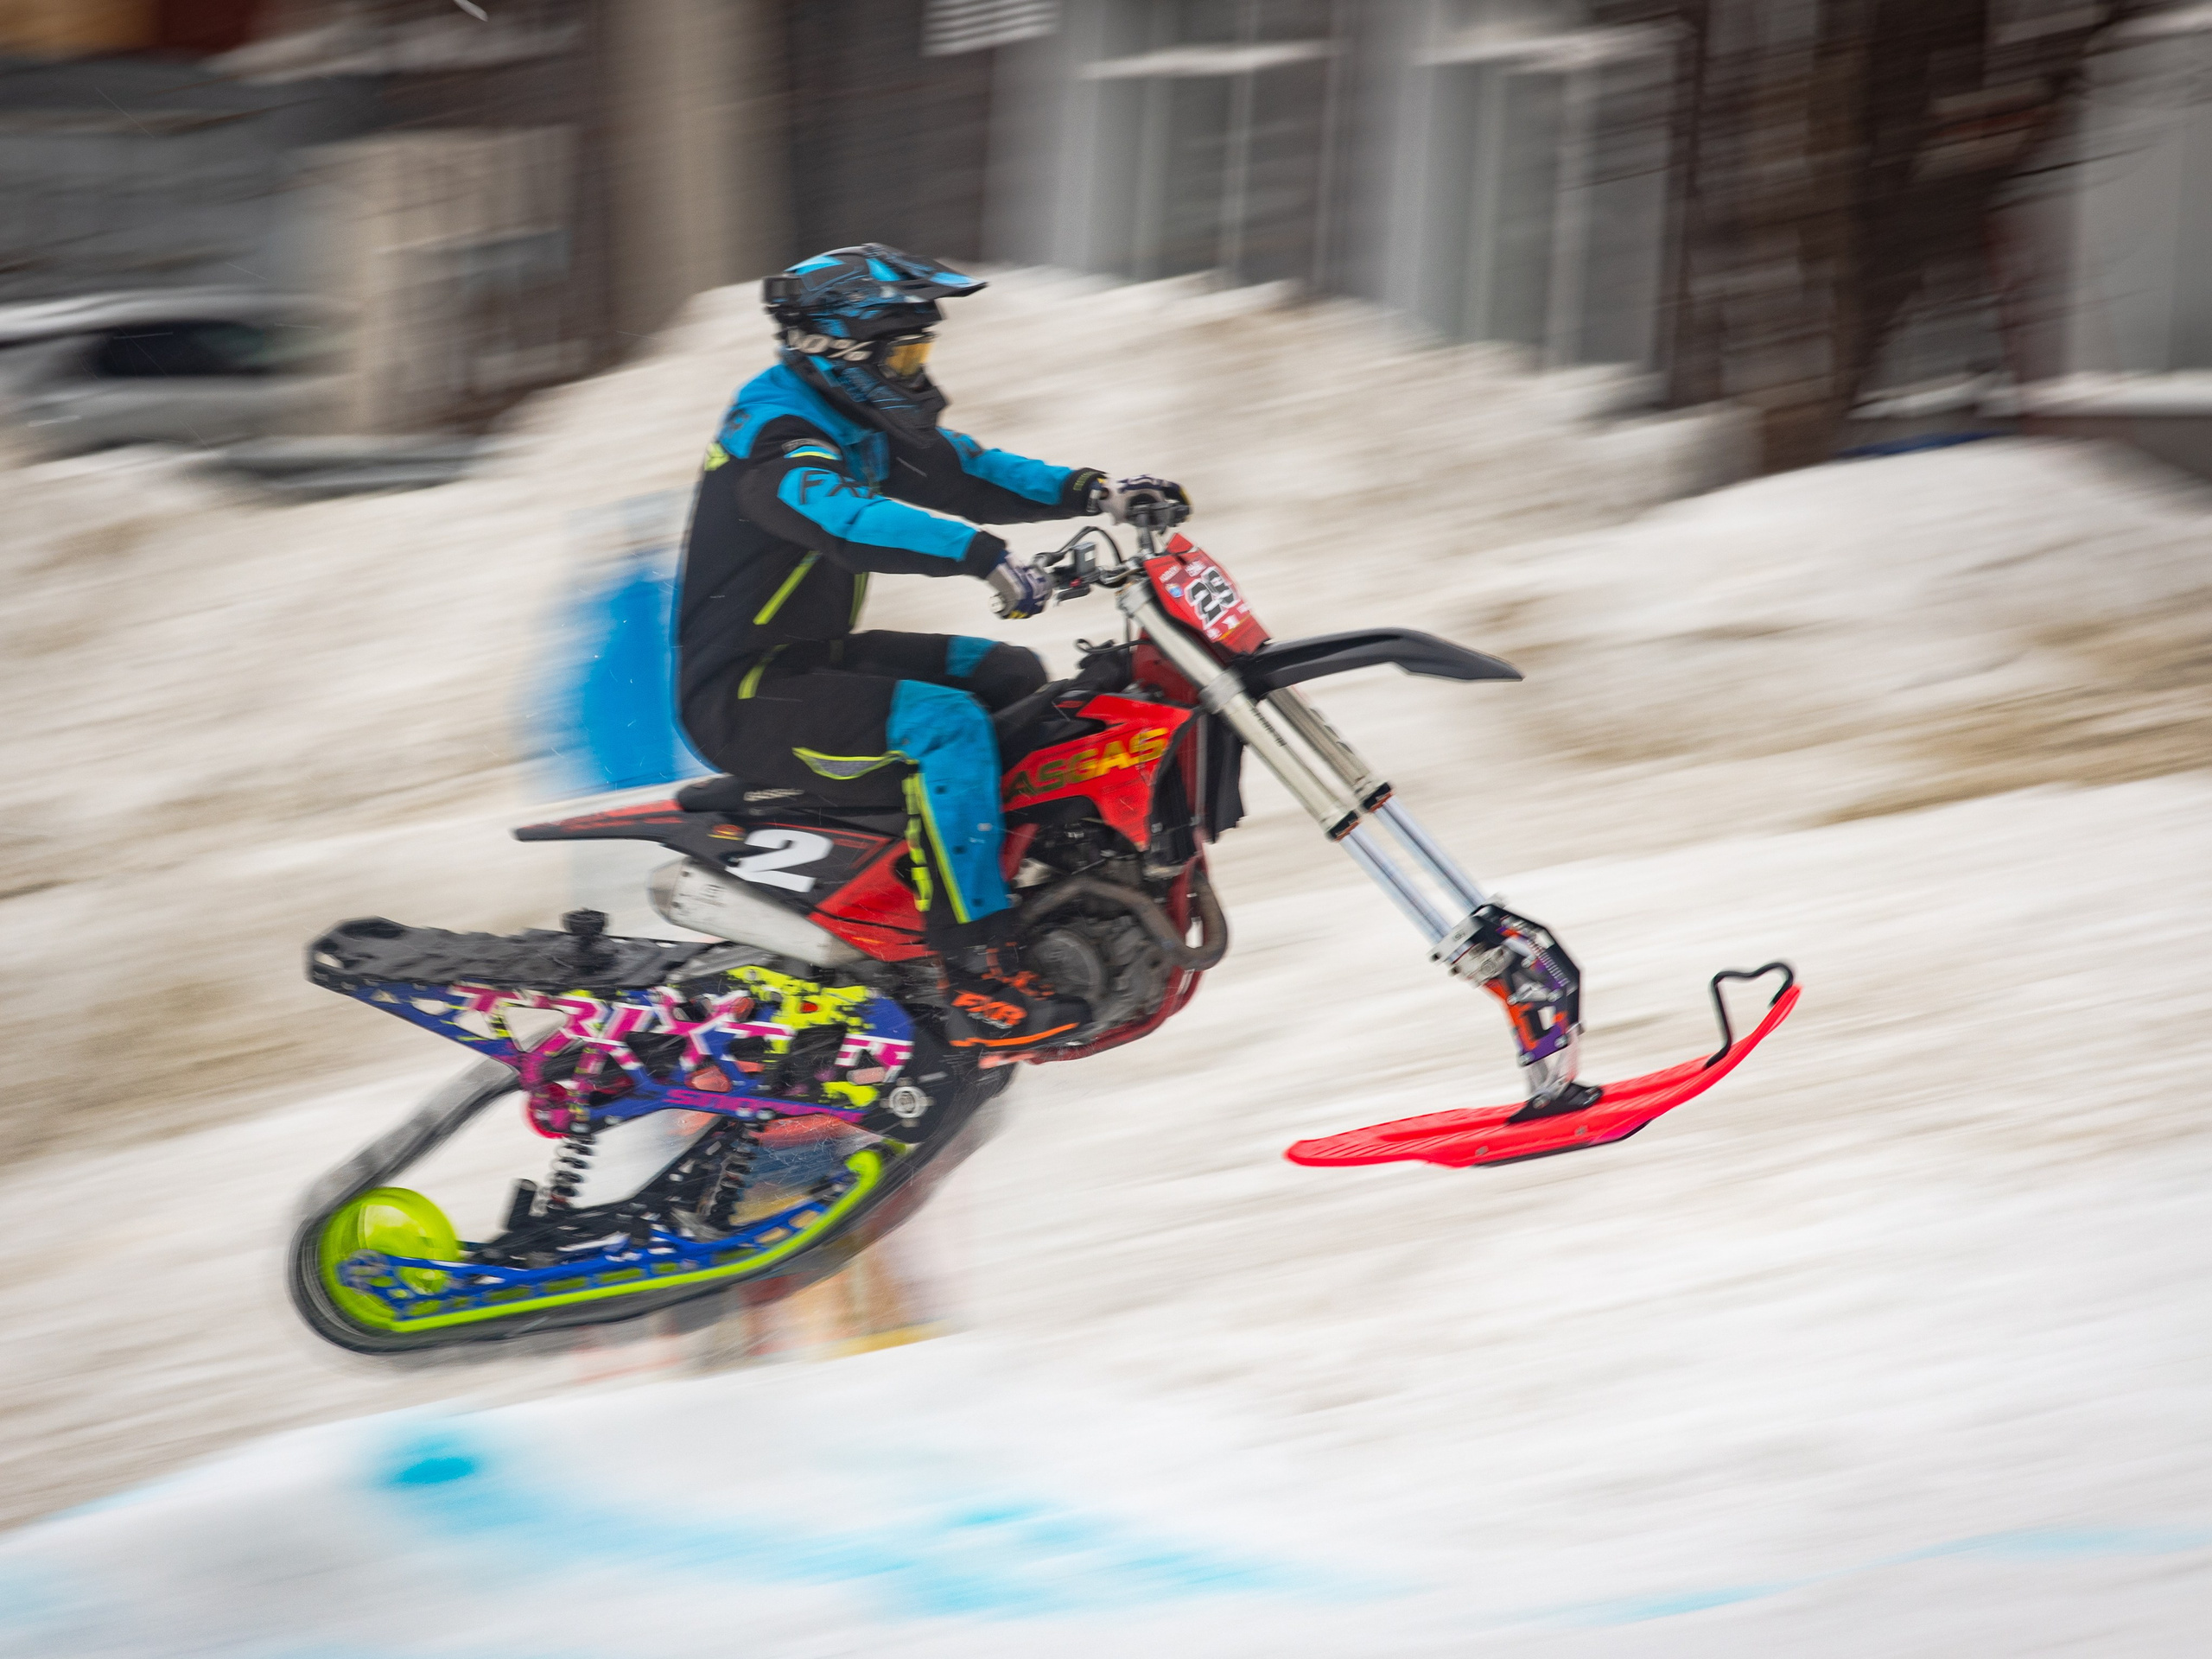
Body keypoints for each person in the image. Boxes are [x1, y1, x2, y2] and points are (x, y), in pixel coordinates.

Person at [675, 244, 1188, 1049]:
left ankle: (1003, 880)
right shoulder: (775, 438)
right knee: (945, 724)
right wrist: (983, 558)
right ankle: (975, 961)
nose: (916, 369)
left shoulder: (848, 415)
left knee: (1010, 673)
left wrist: (1097, 492)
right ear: (839, 350)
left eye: (922, 351)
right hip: (743, 696)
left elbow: (967, 472)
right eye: (902, 352)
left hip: (810, 662)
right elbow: (847, 521)